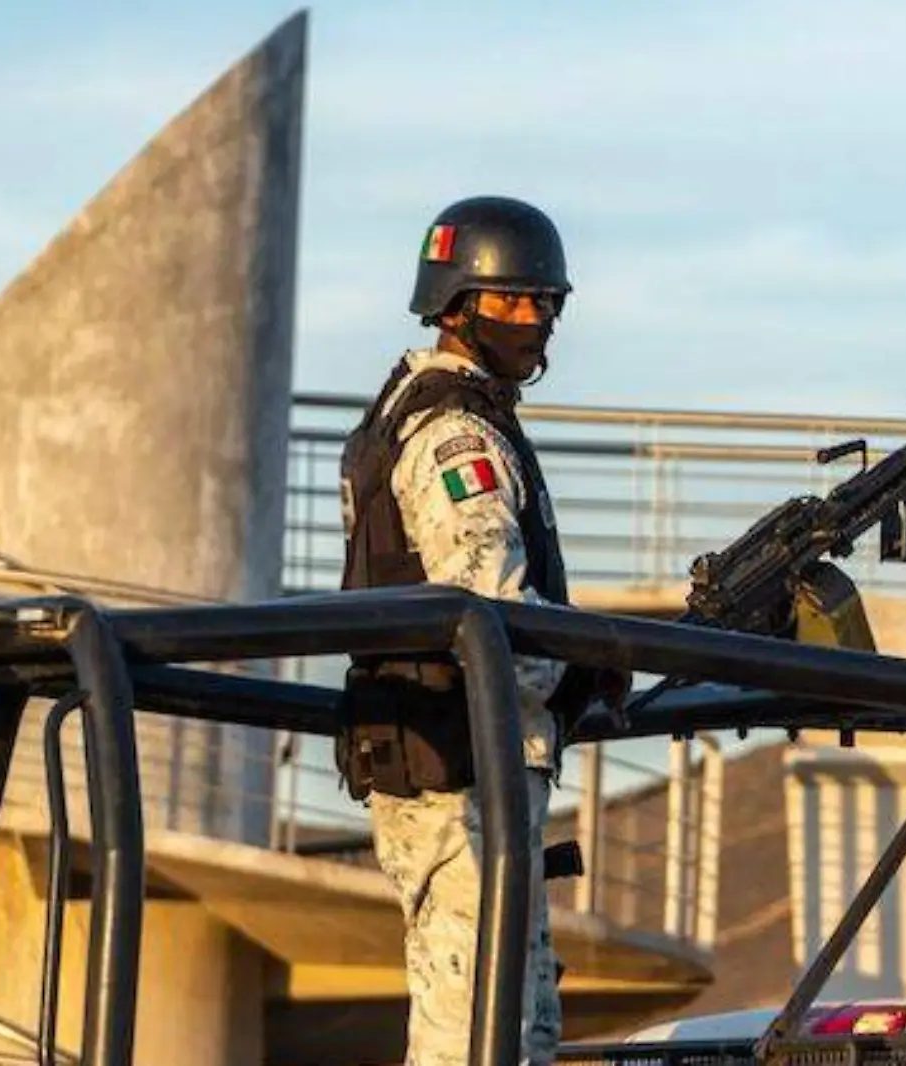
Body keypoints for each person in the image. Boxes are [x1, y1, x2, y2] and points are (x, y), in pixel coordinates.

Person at [335, 195, 627, 1066]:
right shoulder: (455, 432)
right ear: (458, 306)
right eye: (514, 301)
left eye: (546, 302)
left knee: (515, 1026)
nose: (535, 320)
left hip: (465, 765)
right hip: (457, 771)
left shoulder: (413, 413)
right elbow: (484, 613)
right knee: (475, 1032)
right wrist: (588, 669)